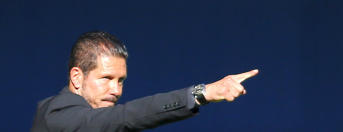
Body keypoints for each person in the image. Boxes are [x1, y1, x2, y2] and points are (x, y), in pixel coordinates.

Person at [31, 31, 258, 131]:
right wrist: (200, 94)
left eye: (121, 80)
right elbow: (122, 117)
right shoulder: (57, 113)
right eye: (106, 78)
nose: (115, 89)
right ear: (77, 77)